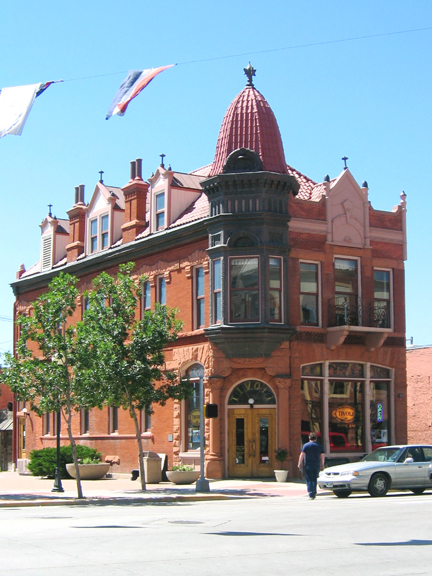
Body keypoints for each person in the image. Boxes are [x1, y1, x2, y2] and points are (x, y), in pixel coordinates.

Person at [298, 432, 325, 500]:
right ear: (316, 438)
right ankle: (314, 491)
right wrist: (322, 464)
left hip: (308, 464)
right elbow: (322, 455)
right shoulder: (319, 446)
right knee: (314, 478)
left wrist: (299, 463)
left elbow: (302, 455)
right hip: (316, 464)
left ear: (309, 438)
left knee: (309, 478)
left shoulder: (306, 445)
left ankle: (311, 492)